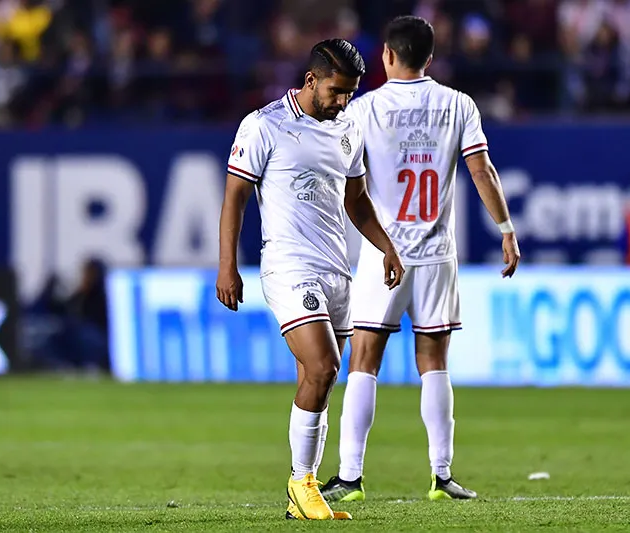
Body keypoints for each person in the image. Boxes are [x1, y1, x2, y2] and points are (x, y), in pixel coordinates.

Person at [320, 16, 520, 503]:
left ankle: (350, 476)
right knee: (433, 361)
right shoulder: (458, 105)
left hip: (382, 253)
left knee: (364, 359)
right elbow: (482, 170)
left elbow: (341, 177)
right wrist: (506, 230)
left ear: (387, 56)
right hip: (436, 254)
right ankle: (441, 474)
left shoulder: (364, 109)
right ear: (430, 58)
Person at [215, 38, 404, 521]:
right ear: (310, 81)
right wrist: (227, 265)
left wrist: (386, 246)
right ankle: (303, 482)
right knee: (323, 366)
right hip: (287, 266)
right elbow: (235, 196)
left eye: (350, 93)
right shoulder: (263, 126)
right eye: (336, 91)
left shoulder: (348, 129)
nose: (343, 101)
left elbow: (356, 201)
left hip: (336, 269)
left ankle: (303, 495)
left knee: (317, 378)